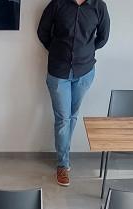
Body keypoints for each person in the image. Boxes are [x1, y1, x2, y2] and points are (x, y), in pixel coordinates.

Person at [38, 0, 110, 187]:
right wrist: (56, 51)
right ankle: (63, 164)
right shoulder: (57, 4)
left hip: (84, 71)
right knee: (63, 118)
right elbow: (43, 32)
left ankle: (64, 154)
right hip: (58, 71)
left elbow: (103, 37)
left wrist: (85, 51)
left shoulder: (98, 6)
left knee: (72, 116)